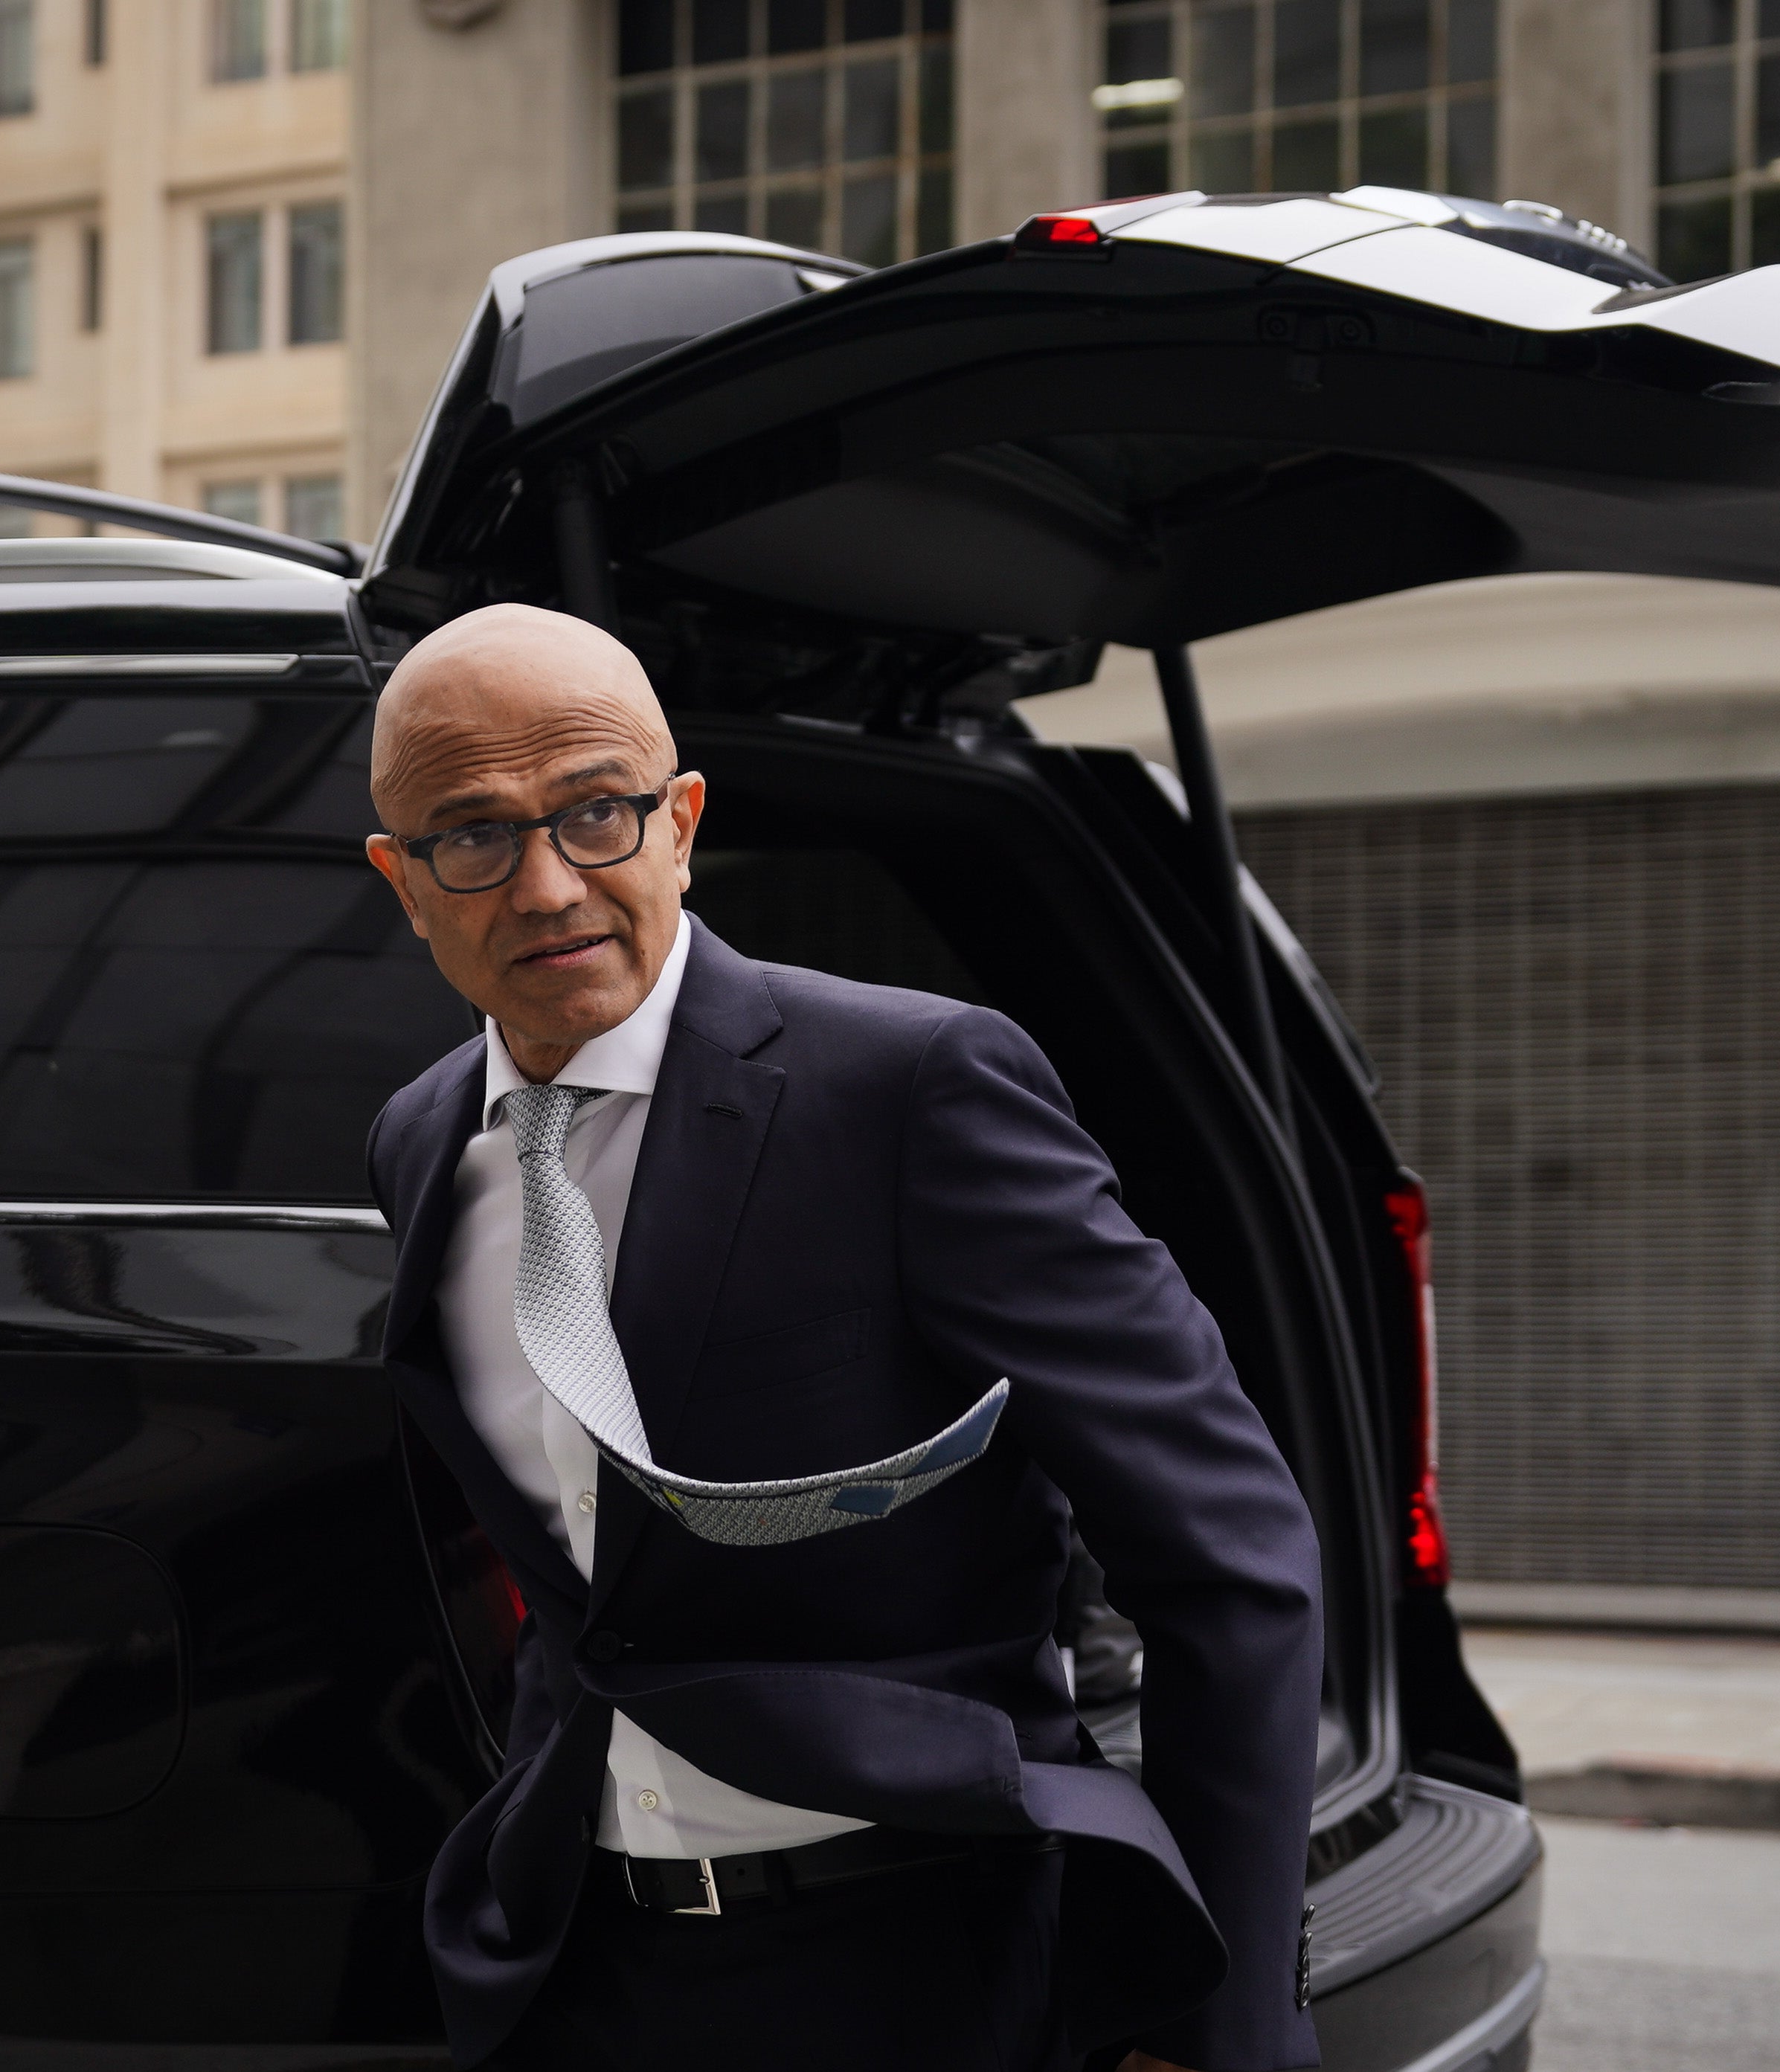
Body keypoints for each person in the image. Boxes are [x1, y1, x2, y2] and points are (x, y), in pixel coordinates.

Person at [357, 604, 1325, 2072]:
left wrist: (1210, 2024)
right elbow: (583, 1573)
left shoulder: (911, 1087)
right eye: (475, 836)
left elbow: (1231, 1557)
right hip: (583, 1972)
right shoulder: (422, 1138)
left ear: (680, 820)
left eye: (595, 813)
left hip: (919, 1963)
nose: (547, 883)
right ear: (404, 881)